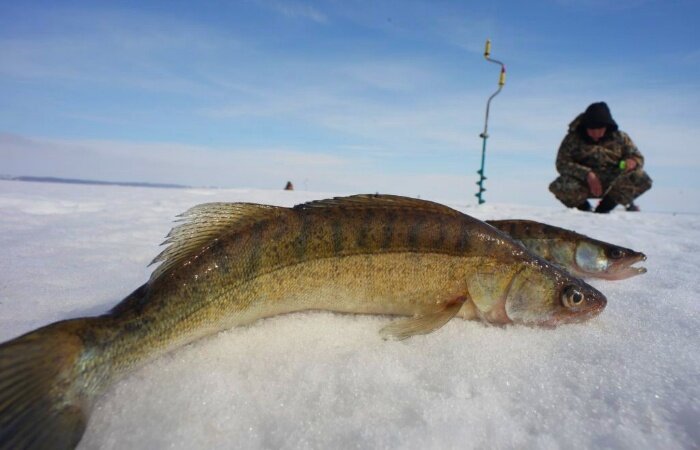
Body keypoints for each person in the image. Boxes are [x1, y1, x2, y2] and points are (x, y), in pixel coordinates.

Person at [549, 102, 652, 213]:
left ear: (607, 126)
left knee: (641, 178)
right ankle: (584, 209)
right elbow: (562, 163)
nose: (596, 133)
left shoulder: (620, 137)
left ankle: (605, 208)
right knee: (559, 186)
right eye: (592, 129)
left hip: (614, 183)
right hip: (584, 183)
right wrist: (587, 174)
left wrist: (632, 161)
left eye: (600, 128)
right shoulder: (572, 139)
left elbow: (638, 157)